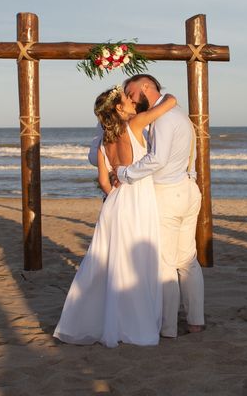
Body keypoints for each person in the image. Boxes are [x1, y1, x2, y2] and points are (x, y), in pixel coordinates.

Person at [53, 85, 177, 348]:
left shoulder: (101, 143)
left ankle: (102, 322)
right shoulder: (135, 125)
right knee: (137, 264)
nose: (132, 101)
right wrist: (148, 89)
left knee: (109, 264)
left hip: (114, 205)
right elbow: (170, 102)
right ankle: (135, 325)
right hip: (139, 203)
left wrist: (114, 195)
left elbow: (102, 180)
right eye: (126, 98)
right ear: (118, 109)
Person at [116, 74, 205, 338]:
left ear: (145, 88)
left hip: (169, 193)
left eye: (130, 92)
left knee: (166, 262)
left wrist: (125, 174)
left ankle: (167, 328)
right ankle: (196, 321)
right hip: (189, 188)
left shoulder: (164, 118)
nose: (130, 98)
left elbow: (157, 159)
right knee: (187, 259)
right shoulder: (177, 113)